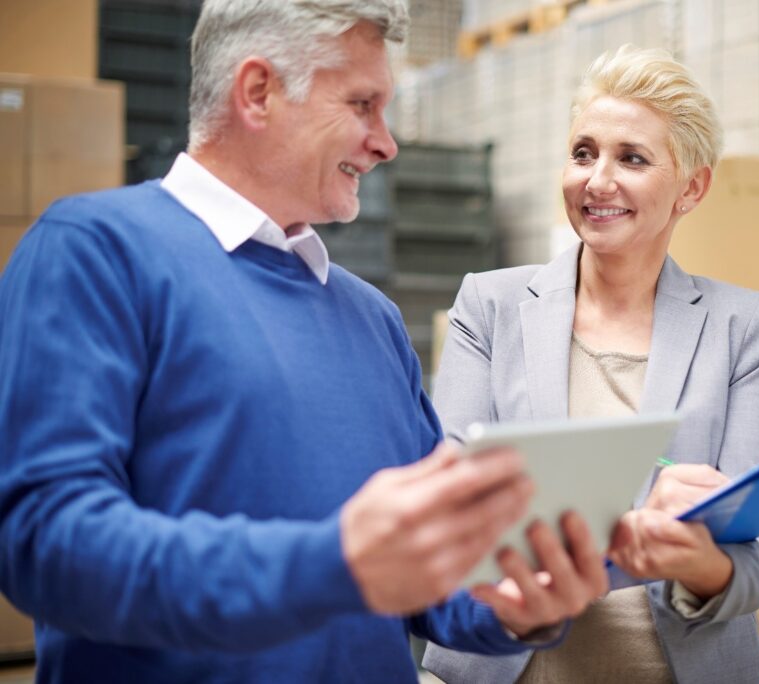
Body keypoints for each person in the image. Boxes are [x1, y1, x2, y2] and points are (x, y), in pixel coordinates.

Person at [0, 2, 609, 682]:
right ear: (258, 92)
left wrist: (519, 604)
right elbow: (44, 547)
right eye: (363, 104)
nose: (386, 143)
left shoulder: (371, 319)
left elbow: (433, 586)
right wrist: (335, 561)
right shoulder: (96, 253)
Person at [423, 45, 759, 683]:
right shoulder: (489, 306)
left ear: (692, 188)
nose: (597, 181)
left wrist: (694, 557)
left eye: (632, 158)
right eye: (583, 152)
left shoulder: (742, 328)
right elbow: (450, 508)